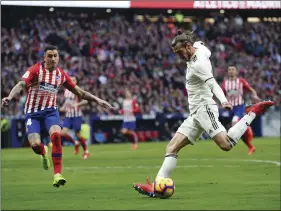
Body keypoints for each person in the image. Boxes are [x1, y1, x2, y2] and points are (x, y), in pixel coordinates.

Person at [132, 30, 274, 197]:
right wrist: (190, 39)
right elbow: (203, 46)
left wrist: (223, 101)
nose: (178, 56)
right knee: (171, 147)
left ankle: (251, 112)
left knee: (226, 145)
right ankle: (157, 187)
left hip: (205, 109)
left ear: (187, 47)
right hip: (195, 113)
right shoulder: (200, 49)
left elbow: (213, 83)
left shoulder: (198, 65)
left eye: (179, 52)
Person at [2, 45, 114, 188]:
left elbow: (81, 93)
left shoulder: (61, 74)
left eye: (55, 56)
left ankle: (57, 175)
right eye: (50, 56)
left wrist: (98, 100)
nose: (53, 58)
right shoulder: (35, 70)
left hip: (50, 112)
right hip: (33, 113)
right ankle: (43, 151)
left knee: (56, 136)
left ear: (58, 57)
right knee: (35, 145)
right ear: (44, 57)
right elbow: (20, 84)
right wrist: (9, 97)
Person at [221, 65, 260, 155]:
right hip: (230, 108)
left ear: (236, 72)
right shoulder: (225, 84)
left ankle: (246, 130)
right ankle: (250, 146)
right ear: (227, 72)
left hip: (239, 106)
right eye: (229, 69)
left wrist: (254, 95)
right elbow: (221, 94)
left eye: (233, 69)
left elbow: (251, 89)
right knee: (239, 132)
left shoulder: (241, 81)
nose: (231, 71)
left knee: (235, 122)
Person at [60, 76, 89, 159]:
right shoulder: (66, 91)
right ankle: (75, 143)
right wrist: (63, 107)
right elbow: (67, 101)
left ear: (76, 81)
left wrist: (77, 104)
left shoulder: (78, 91)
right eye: (70, 80)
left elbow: (86, 101)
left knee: (78, 134)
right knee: (63, 133)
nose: (72, 81)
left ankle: (86, 151)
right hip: (68, 115)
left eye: (73, 80)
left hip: (77, 115)